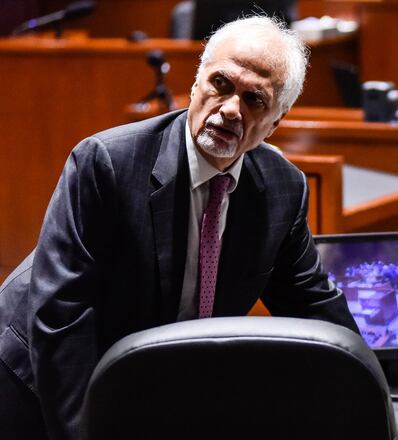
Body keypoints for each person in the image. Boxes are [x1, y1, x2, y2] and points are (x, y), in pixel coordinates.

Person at [0, 16, 358, 440]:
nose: (229, 109)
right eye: (221, 84)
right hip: (37, 381)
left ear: (275, 123)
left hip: (149, 381)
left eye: (254, 100)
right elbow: (61, 315)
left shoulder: (282, 188)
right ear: (195, 84)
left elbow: (314, 307)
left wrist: (374, 384)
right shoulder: (107, 163)